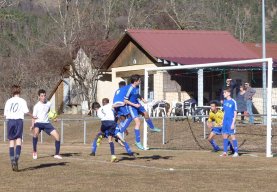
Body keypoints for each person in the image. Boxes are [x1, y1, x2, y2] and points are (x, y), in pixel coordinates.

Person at [124, 74, 160, 150]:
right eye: (139, 80)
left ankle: (152, 128)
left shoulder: (137, 87)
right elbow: (125, 100)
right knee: (138, 123)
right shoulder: (130, 89)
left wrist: (142, 98)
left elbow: (137, 94)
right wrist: (134, 105)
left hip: (137, 104)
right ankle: (137, 142)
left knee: (146, 114)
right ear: (135, 81)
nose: (140, 81)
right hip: (131, 106)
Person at [4, 85, 34, 171]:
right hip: (19, 121)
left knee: (11, 141)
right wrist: (33, 116)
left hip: (10, 122)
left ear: (12, 92)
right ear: (19, 91)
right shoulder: (22, 100)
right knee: (18, 139)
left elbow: (6, 114)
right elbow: (26, 111)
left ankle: (12, 159)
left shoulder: (8, 101)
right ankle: (16, 159)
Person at [31, 89, 62, 160]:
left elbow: (50, 113)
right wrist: (32, 125)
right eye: (42, 96)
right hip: (38, 123)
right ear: (39, 97)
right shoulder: (36, 106)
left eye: (44, 95)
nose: (43, 97)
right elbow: (33, 117)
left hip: (46, 123)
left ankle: (57, 154)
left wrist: (54, 118)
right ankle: (34, 151)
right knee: (35, 133)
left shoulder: (49, 103)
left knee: (57, 136)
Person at [220, 87, 239, 157]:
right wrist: (222, 120)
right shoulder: (225, 102)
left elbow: (235, 113)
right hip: (225, 121)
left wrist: (233, 123)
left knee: (232, 136)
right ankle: (225, 152)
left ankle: (236, 152)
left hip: (231, 121)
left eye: (225, 93)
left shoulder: (233, 102)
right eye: (223, 93)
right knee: (225, 136)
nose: (223, 94)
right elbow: (224, 112)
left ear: (229, 93)